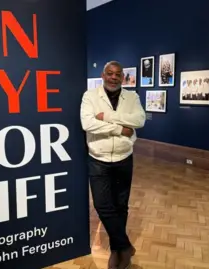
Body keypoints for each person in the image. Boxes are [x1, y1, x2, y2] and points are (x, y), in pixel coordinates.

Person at [80, 61, 146, 269]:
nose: (113, 77)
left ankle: (117, 250)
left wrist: (107, 117)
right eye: (110, 73)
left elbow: (139, 120)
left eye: (118, 74)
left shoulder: (132, 97)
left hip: (124, 157)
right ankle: (124, 245)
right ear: (103, 75)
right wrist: (120, 129)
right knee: (102, 205)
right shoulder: (90, 96)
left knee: (121, 205)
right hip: (98, 158)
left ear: (123, 77)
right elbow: (88, 123)